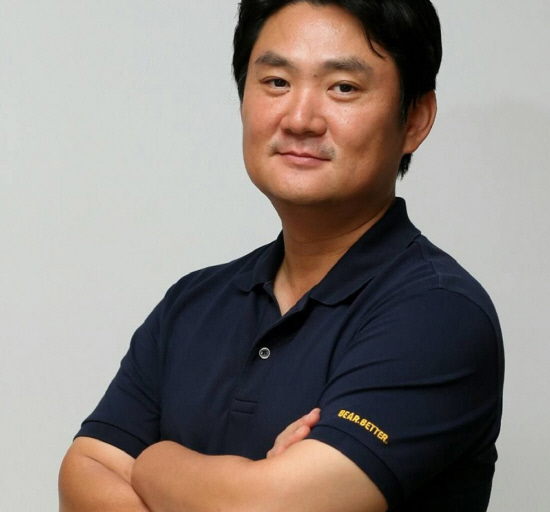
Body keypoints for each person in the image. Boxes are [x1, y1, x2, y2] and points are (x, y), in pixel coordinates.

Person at [59, 1, 504, 511]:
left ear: (415, 119)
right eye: (276, 82)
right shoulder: (193, 303)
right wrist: (240, 486)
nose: (299, 119)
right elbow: (83, 474)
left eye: (343, 87)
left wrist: (155, 461)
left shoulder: (438, 313)